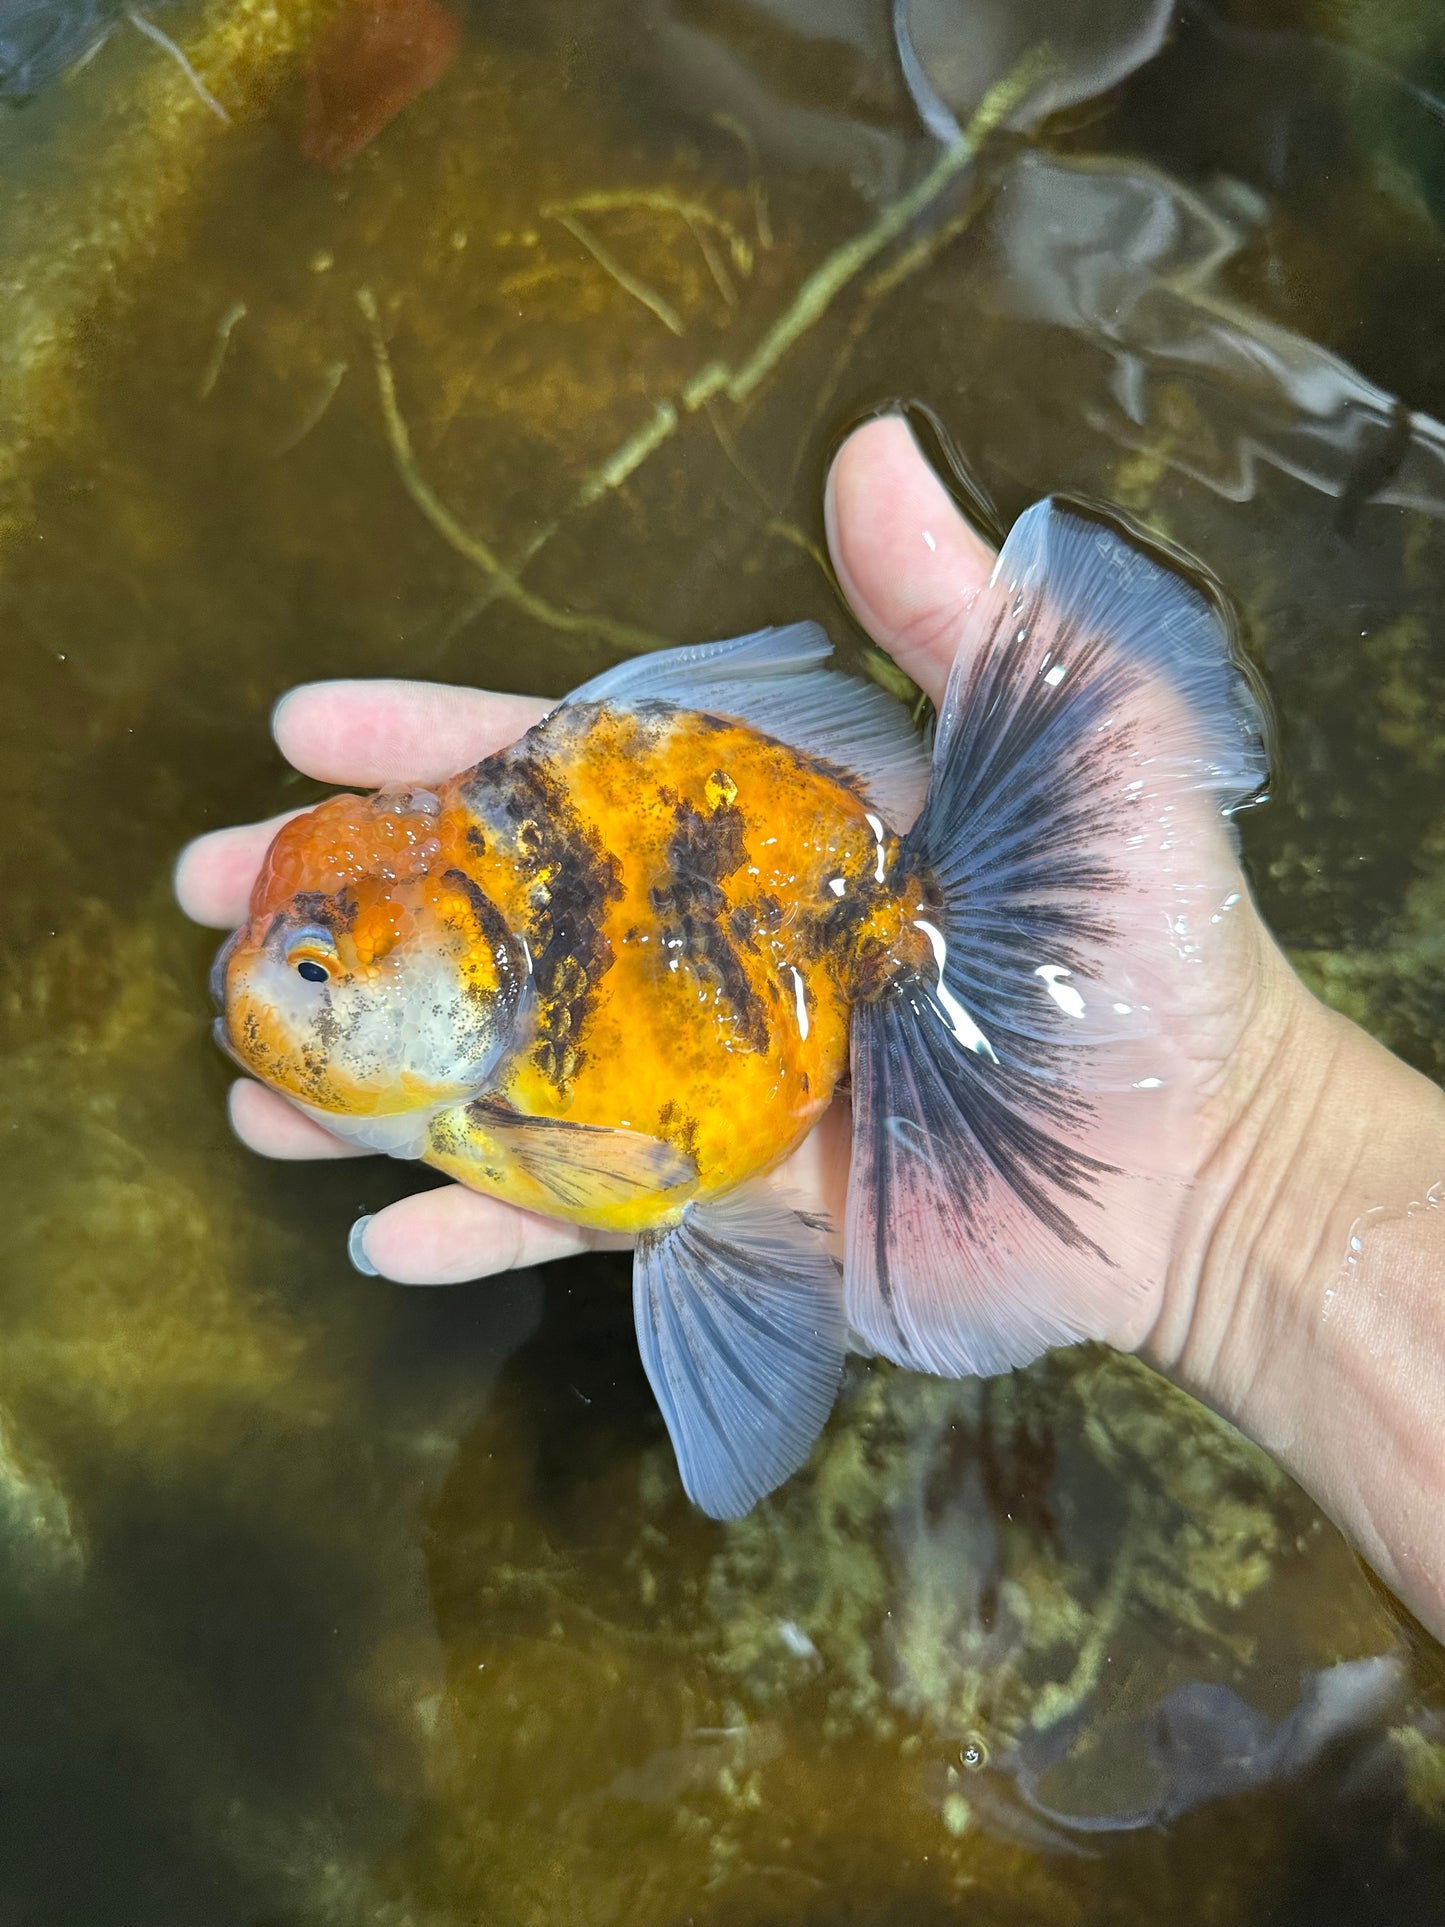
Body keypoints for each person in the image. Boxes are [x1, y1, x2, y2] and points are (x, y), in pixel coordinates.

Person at [175, 416, 1445, 1644]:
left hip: (784, 959)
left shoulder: (499, 1087)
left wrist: (1240, 1147)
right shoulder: (487, 1009)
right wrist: (1245, 1169)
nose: (265, 985)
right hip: (751, 924)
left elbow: (638, 1174)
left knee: (679, 1215)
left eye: (310, 967)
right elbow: (647, 1172)